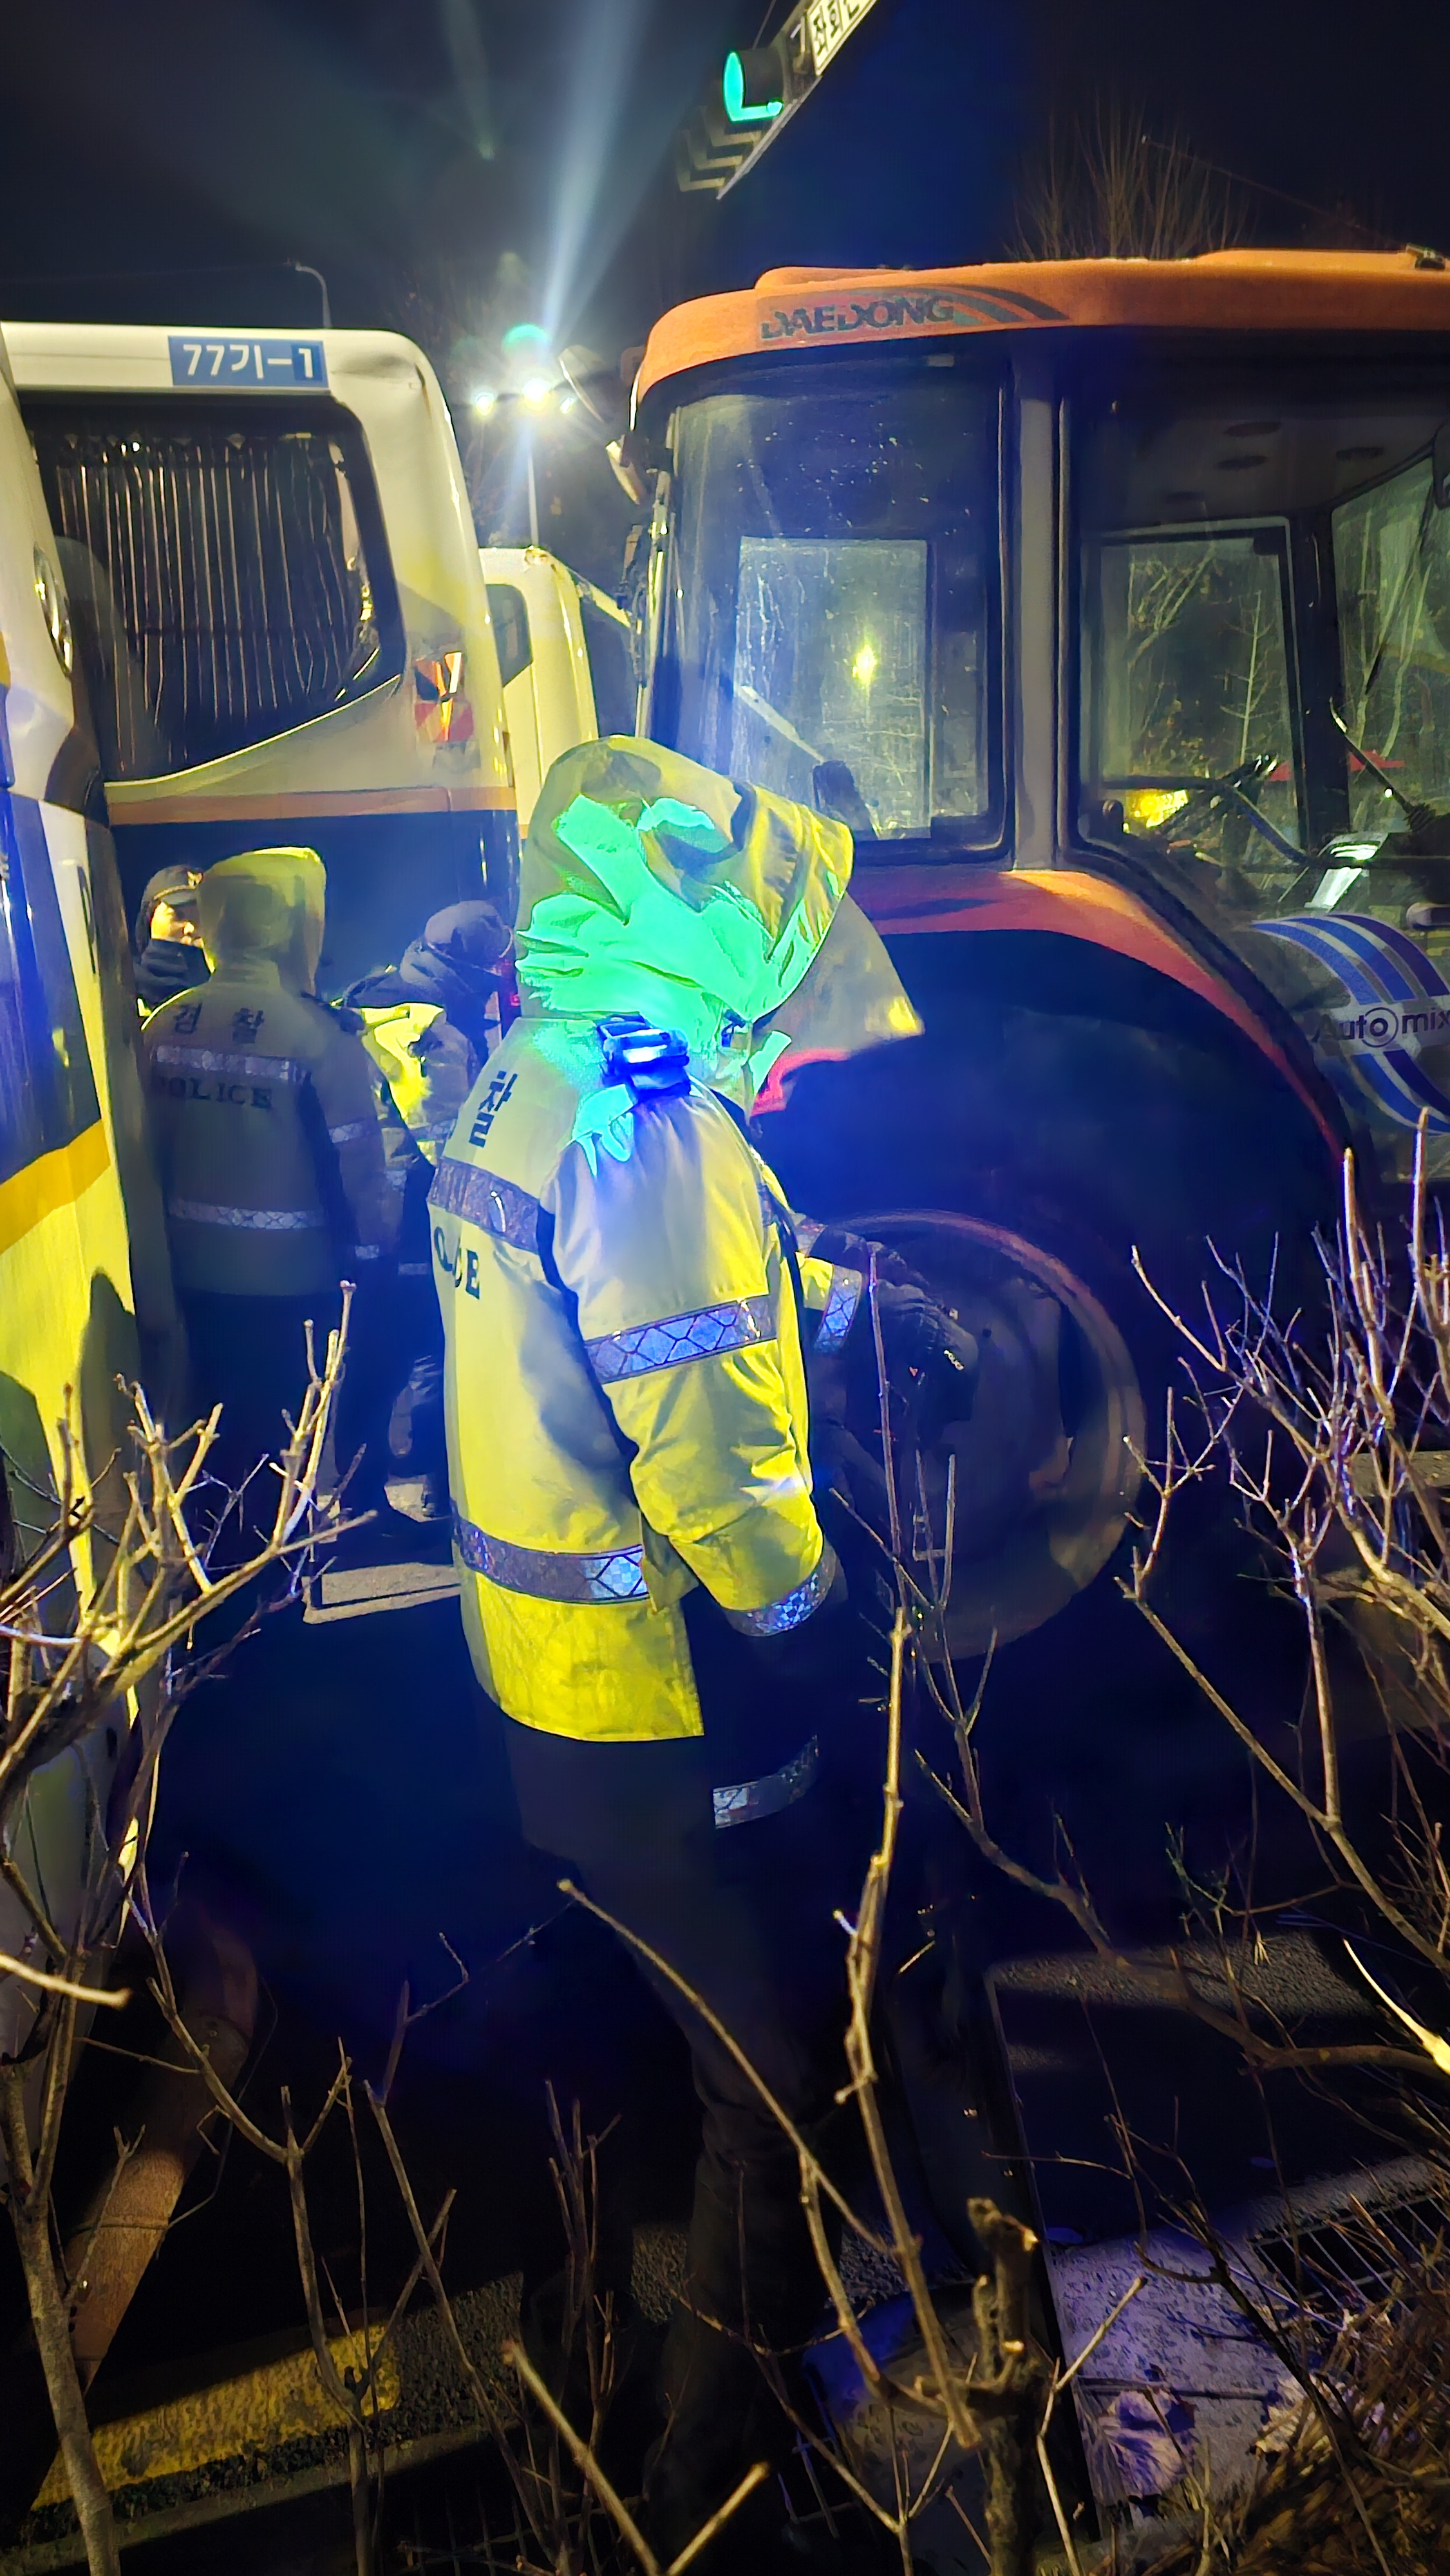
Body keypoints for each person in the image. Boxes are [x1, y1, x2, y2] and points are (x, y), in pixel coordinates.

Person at [430, 738, 964, 2566]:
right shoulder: (652, 1134)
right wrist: (818, 1634)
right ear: (703, 948)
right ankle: (707, 2486)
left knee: (666, 2058)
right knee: (774, 2086)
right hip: (661, 1702)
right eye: (778, 988)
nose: (796, 1043)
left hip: (552, 1699)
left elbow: (665, 1282)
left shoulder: (537, 1072)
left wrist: (848, 1292)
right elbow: (719, 1457)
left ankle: (615, 2367)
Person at [142, 846, 397, 1544]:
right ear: (296, 925)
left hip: (185, 1285)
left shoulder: (163, 1024)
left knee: (202, 1450)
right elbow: (360, 1178)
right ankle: (271, 1618)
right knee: (281, 1458)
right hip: (291, 1297)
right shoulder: (319, 1038)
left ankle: (208, 1604)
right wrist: (376, 1261)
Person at [341, 899, 513, 1526]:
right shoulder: (429, 1032)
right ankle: (444, 1496)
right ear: (467, 975)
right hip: (413, 1220)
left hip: (362, 1217)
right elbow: (450, 1145)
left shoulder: (376, 995)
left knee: (378, 1360)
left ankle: (357, 1500)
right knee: (433, 1362)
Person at [133, 865, 208, 1014]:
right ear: (149, 920)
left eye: (203, 917)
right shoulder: (120, 993)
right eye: (178, 916)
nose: (191, 928)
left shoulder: (234, 997)